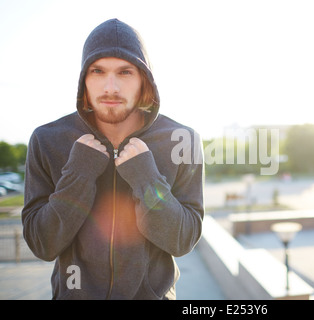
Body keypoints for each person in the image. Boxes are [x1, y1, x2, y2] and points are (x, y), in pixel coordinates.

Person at [22, 18, 204, 300]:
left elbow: (182, 240)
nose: (110, 87)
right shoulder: (48, 140)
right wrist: (79, 174)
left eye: (125, 72)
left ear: (144, 79)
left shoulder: (183, 140)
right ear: (84, 78)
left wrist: (146, 177)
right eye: (98, 71)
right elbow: (42, 244)